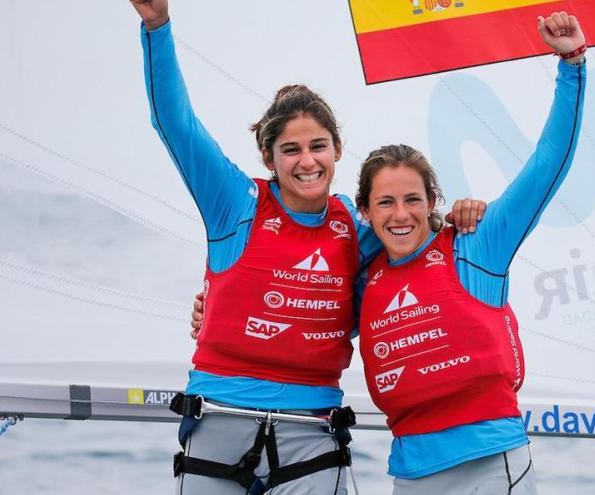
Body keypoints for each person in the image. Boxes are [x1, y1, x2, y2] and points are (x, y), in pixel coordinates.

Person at [192, 11, 587, 494]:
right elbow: (298, 301)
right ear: (365, 212)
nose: (400, 215)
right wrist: (213, 311)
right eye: (385, 203)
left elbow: (548, 166)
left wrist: (572, 65)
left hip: (492, 461)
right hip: (411, 473)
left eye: (412, 201)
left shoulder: (477, 247)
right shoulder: (365, 273)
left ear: (432, 203)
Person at [128, 1, 484, 493]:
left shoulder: (357, 229)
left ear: (337, 149)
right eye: (291, 150)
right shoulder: (234, 203)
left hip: (311, 430)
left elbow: (418, 237)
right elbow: (175, 124)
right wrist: (157, 27)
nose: (306, 161)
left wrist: (463, 217)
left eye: (318, 146)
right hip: (218, 421)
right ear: (268, 157)